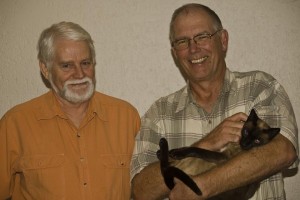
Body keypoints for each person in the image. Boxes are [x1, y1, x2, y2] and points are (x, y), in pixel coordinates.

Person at [130, 3, 298, 200]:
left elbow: (283, 150)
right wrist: (206, 144)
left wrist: (203, 186)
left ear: (223, 40)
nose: (193, 49)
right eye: (182, 41)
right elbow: (141, 190)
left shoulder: (260, 87)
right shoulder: (159, 114)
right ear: (175, 53)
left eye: (202, 36)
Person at [0, 21, 140, 200]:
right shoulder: (15, 124)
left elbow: (145, 188)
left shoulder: (126, 118)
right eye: (67, 65)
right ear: (45, 69)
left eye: (85, 63)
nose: (80, 74)